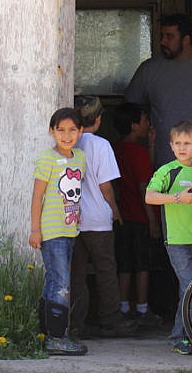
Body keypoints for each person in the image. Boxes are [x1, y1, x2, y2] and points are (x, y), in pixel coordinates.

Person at [69, 95, 135, 339]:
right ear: (97, 120)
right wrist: (115, 208)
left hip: (72, 220)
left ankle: (75, 324)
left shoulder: (68, 142)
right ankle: (111, 321)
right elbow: (105, 185)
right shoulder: (101, 145)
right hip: (97, 220)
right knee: (106, 270)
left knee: (76, 274)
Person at [125, 13, 192, 168]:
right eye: (162, 35)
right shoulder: (149, 69)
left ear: (186, 40)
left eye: (169, 36)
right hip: (163, 165)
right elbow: (129, 111)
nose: (162, 41)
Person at [145, 121, 192, 355]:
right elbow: (150, 197)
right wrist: (176, 198)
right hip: (176, 241)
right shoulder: (167, 170)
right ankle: (179, 337)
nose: (183, 148)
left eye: (188, 143)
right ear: (171, 146)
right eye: (178, 143)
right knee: (190, 286)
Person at [29, 107, 87, 356]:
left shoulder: (80, 158)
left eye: (72, 129)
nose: (66, 135)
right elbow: (37, 196)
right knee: (62, 284)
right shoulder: (47, 158)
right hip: (52, 232)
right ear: (52, 131)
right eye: (60, 130)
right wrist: (35, 229)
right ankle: (57, 338)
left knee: (54, 281)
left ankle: (46, 333)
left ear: (81, 131)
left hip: (70, 230)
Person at [112, 101, 162, 325]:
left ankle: (123, 307)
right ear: (134, 125)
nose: (147, 124)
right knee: (143, 265)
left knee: (125, 263)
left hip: (122, 216)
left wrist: (150, 145)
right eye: (144, 120)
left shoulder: (118, 149)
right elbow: (145, 187)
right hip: (141, 217)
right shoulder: (137, 152)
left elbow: (145, 171)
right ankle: (142, 309)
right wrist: (153, 222)